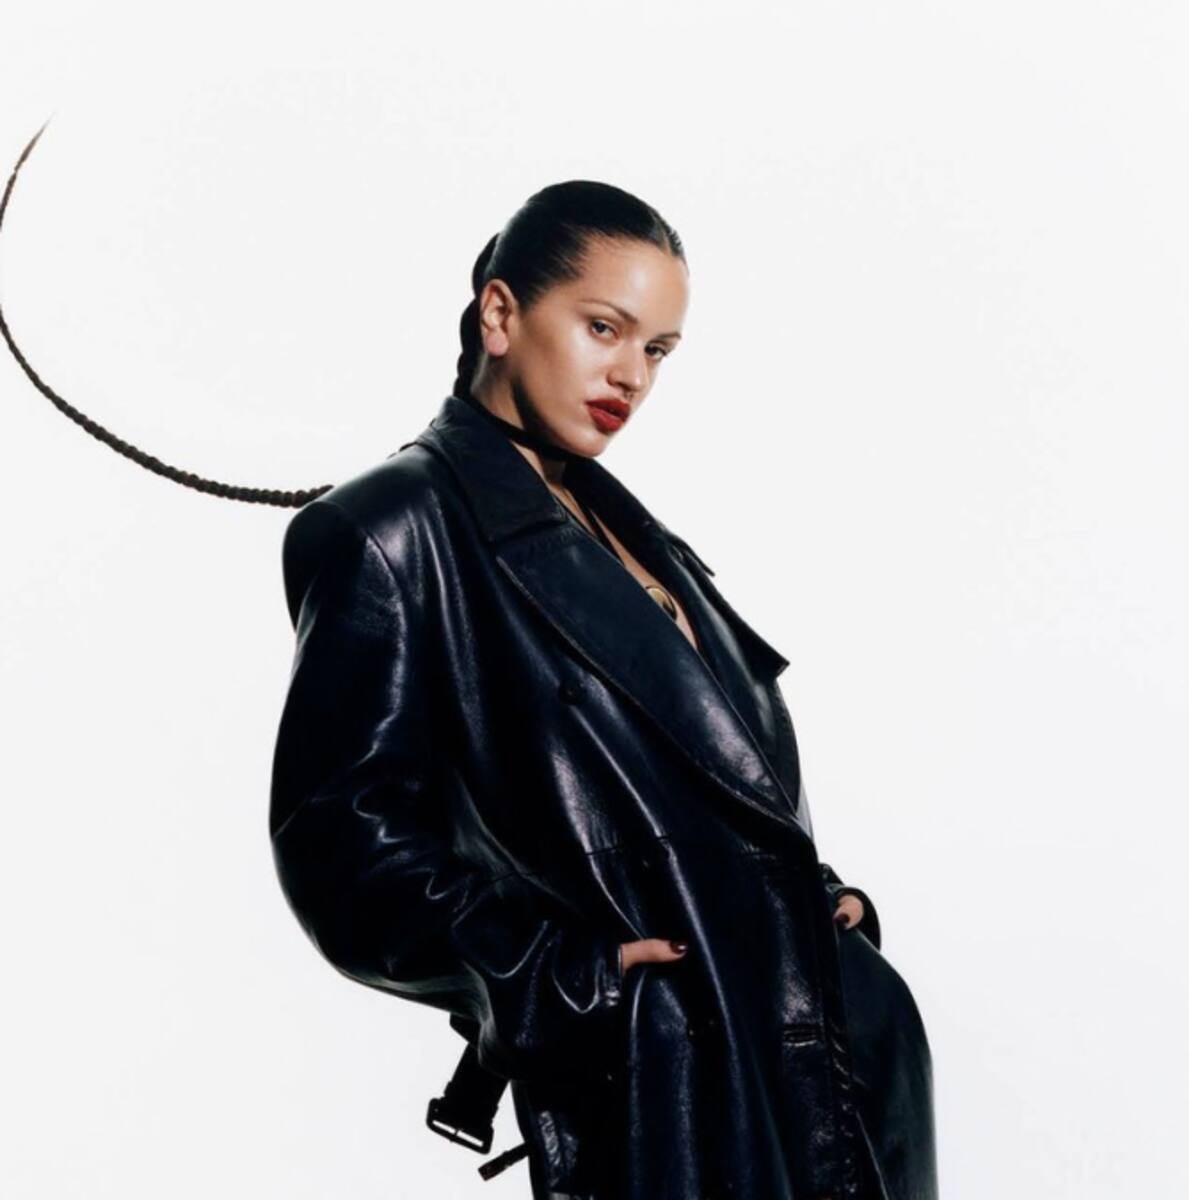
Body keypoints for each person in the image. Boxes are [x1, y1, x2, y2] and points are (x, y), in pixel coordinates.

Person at [268, 180, 937, 1200]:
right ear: (501, 315)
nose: (632, 376)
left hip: (828, 1058)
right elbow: (341, 843)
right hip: (678, 1085)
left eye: (658, 350)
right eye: (603, 328)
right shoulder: (394, 531)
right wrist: (559, 974)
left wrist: (816, 899)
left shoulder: (630, 534)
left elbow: (699, 789)